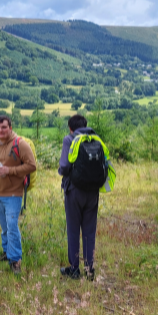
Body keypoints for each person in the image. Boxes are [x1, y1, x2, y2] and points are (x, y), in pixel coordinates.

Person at [0, 114, 36, 275]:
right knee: (5, 227)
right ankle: (7, 252)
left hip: (13, 194)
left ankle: (15, 260)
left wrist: (10, 170)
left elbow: (32, 165)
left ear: (10, 128)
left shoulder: (20, 144)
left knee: (12, 226)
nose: (0, 130)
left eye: (3, 127)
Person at [58, 114, 101, 281]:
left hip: (74, 190)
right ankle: (89, 269)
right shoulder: (96, 139)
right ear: (85, 125)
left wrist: (61, 172)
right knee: (89, 231)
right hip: (93, 191)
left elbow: (64, 165)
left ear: (71, 128)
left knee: (74, 229)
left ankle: (74, 269)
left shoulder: (70, 139)